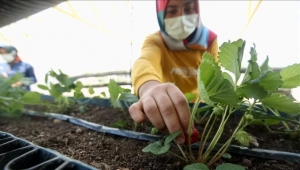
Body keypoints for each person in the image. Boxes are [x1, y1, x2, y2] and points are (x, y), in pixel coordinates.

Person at [129, 0, 219, 144]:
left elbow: (216, 79)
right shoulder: (156, 41)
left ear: (197, 9)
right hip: (165, 106)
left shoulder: (209, 41)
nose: (182, 17)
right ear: (161, 14)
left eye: (188, 8)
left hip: (201, 109)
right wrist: (149, 87)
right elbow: (145, 62)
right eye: (172, 11)